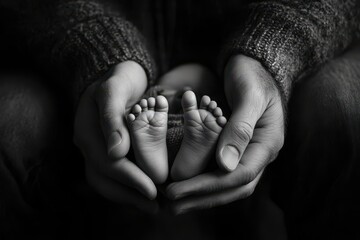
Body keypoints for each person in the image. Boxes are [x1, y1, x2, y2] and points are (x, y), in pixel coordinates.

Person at [0, 0, 360, 238]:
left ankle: (166, 134)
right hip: (79, 47)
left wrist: (274, 47)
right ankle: (177, 139)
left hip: (272, 35)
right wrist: (96, 49)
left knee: (345, 111)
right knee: (9, 122)